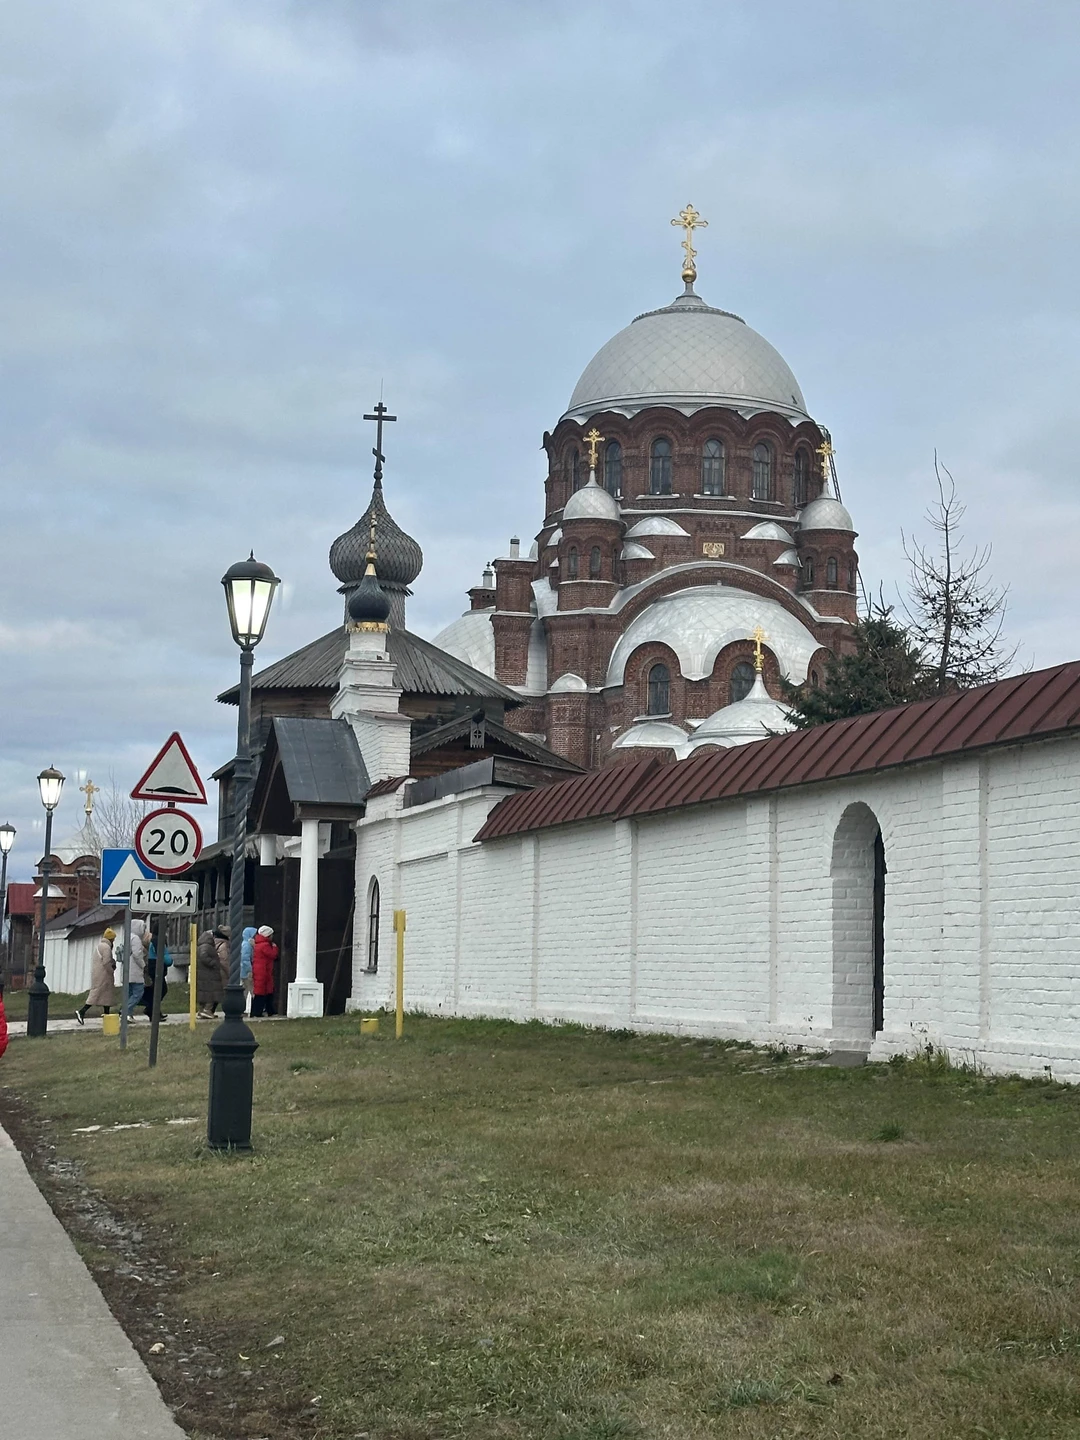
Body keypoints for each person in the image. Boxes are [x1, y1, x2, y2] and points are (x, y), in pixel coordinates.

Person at [76, 927, 116, 1024]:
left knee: (106, 996)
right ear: (111, 939)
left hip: (98, 974)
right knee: (96, 994)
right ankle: (82, 1011)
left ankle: (107, 1016)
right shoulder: (106, 948)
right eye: (113, 939)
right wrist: (111, 970)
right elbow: (106, 962)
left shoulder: (100, 946)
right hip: (104, 975)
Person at [141, 926, 170, 1020]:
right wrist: (169, 960)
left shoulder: (154, 939)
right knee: (161, 990)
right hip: (157, 968)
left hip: (154, 967)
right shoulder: (158, 940)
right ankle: (151, 1010)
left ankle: (153, 1011)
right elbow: (161, 954)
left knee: (157, 990)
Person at [123, 918, 149, 1020]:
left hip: (127, 970)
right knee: (138, 992)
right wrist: (143, 965)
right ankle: (125, 1011)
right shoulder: (136, 939)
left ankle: (128, 1013)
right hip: (135, 970)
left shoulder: (127, 937)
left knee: (129, 993)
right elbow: (137, 954)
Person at [196, 927, 224, 1019]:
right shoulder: (206, 946)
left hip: (205, 974)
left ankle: (202, 1010)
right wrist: (213, 963)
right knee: (211, 993)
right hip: (209, 974)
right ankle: (207, 1010)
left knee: (205, 993)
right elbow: (203, 956)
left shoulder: (201, 945)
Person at [250, 925, 279, 1018]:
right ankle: (260, 1011)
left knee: (261, 992)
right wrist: (275, 947)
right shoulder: (265, 945)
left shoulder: (258, 944)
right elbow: (273, 955)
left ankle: (260, 1011)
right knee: (263, 992)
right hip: (263, 971)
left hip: (260, 970)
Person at [240, 926, 256, 1011]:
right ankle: (255, 1009)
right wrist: (250, 970)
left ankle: (241, 1009)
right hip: (246, 972)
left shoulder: (245, 944)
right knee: (251, 990)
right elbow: (245, 959)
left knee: (245, 991)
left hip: (243, 971)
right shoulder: (247, 945)